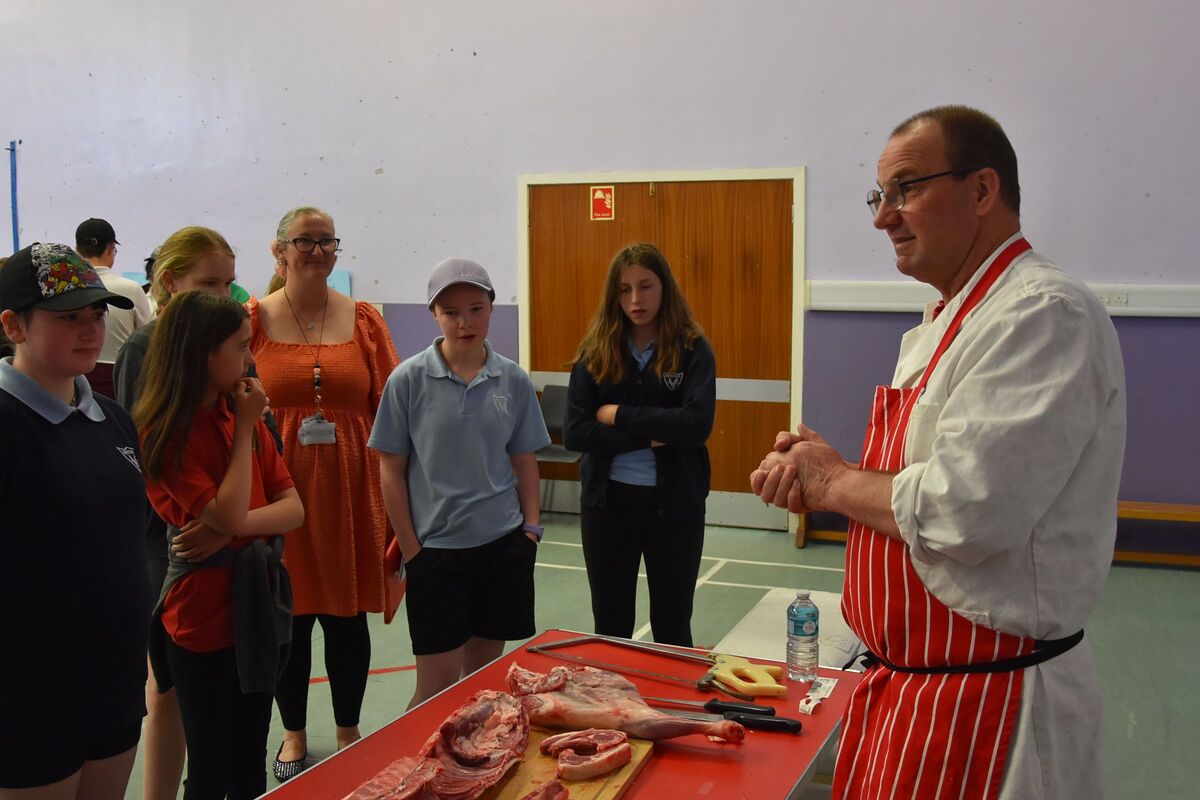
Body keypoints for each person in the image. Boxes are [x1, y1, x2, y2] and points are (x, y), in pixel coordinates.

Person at [751, 105, 1125, 800]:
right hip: (917, 691)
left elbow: (966, 510)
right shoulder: (954, 317)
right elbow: (918, 478)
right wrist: (832, 468)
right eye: (879, 196)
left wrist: (831, 481)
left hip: (991, 709)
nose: (882, 217)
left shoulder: (1041, 313)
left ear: (983, 191)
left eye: (906, 189)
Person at [114, 225, 270, 800]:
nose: (222, 295)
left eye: (229, 284)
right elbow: (143, 446)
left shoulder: (231, 353)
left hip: (225, 531)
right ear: (169, 282)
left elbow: (267, 457)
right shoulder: (145, 349)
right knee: (172, 687)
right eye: (209, 283)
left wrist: (233, 521)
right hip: (173, 537)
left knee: (229, 700)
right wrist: (203, 522)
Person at [248, 206, 400, 778]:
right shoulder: (251, 321)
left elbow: (391, 407)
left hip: (351, 491)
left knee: (345, 618)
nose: (316, 251)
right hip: (276, 490)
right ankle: (291, 734)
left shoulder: (363, 319)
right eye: (304, 241)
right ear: (279, 249)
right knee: (290, 619)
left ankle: (348, 730)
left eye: (326, 242)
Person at [135, 291, 303, 800]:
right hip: (200, 618)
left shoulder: (236, 413)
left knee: (250, 757)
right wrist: (248, 428)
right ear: (202, 352)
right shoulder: (166, 432)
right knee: (211, 766)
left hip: (256, 607)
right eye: (239, 347)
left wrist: (231, 528)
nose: (249, 359)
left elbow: (293, 508)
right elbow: (231, 511)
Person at [0, 242, 151, 800]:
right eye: (69, 318)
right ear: (13, 325)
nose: (91, 330)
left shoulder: (109, 418)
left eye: (95, 314)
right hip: (29, 694)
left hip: (112, 683)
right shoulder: (7, 424)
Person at [370, 257, 549, 707]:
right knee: (436, 688)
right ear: (434, 314)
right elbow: (390, 468)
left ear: (491, 308)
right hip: (436, 554)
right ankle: (415, 774)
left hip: (503, 547)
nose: (464, 322)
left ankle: (470, 774)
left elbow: (524, 460)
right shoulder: (407, 379)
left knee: (485, 684)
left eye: (475, 309)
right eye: (451, 312)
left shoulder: (512, 379)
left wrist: (529, 529)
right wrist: (412, 548)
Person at [563, 243, 715, 647]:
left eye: (646, 286)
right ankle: (613, 709)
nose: (635, 299)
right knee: (611, 626)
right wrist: (653, 434)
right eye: (625, 289)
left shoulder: (692, 349)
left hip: (676, 506)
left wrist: (618, 414)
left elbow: (697, 424)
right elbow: (576, 432)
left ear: (664, 287)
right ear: (613, 295)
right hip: (608, 507)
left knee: (672, 622)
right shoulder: (595, 353)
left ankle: (671, 708)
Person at [75, 218, 153, 397]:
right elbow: (147, 339)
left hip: (75, 382)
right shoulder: (131, 288)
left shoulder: (68, 290)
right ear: (111, 249)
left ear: (77, 251)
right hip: (120, 383)